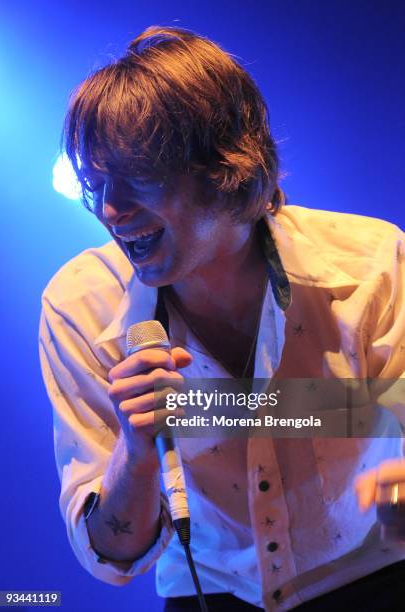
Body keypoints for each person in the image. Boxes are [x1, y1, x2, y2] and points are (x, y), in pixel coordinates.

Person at [39, 25, 405, 611]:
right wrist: (135, 453)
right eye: (96, 181)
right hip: (211, 598)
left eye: (136, 175)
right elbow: (115, 556)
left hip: (376, 581)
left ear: (225, 166)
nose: (110, 208)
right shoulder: (80, 304)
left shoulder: (369, 264)